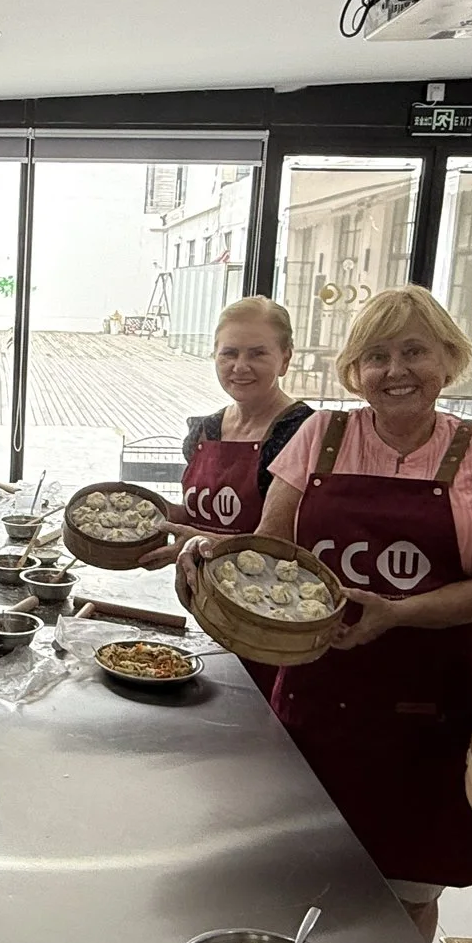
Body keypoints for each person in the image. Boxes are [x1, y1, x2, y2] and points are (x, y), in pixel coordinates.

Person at [177, 287, 472, 939]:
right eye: (376, 356)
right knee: (297, 873)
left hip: (431, 705)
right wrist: (204, 553)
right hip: (320, 693)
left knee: (408, 893)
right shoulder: (322, 434)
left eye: (414, 352)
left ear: (447, 358)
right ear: (354, 369)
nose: (395, 371)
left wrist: (396, 611)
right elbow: (271, 547)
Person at [141, 296, 313, 698]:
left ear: (285, 359)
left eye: (257, 353)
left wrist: (200, 543)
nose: (240, 366)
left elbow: (285, 545)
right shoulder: (206, 430)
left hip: (267, 616)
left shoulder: (303, 432)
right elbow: (200, 511)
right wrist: (147, 518)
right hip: (204, 601)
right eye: (229, 353)